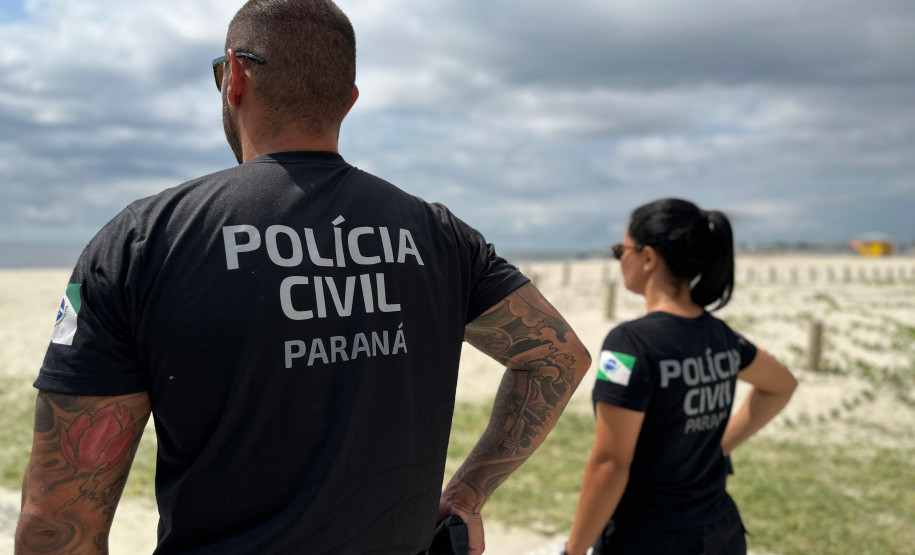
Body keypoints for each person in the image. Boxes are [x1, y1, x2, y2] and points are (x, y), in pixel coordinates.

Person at [15, 1, 592, 553]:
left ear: (234, 77)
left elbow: (55, 525)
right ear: (349, 100)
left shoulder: (145, 239)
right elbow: (558, 355)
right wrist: (468, 493)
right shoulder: (438, 234)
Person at [563, 198, 797, 555]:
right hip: (719, 531)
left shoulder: (629, 344)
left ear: (647, 257)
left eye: (620, 250)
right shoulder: (722, 336)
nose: (619, 260)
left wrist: (573, 551)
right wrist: (720, 445)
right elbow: (781, 384)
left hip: (649, 537)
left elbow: (610, 463)